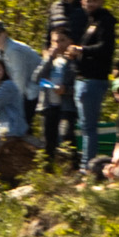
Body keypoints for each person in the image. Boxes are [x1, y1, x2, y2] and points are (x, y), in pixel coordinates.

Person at [74, 0, 118, 171]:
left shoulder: (105, 21)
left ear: (100, 1)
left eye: (94, 0)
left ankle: (87, 168)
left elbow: (106, 48)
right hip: (82, 78)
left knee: (89, 127)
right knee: (85, 126)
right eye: (87, 0)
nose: (90, 4)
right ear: (82, 2)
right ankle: (86, 165)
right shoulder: (89, 21)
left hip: (93, 79)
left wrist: (81, 50)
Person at [34, 33, 79, 170]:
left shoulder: (73, 62)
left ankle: (72, 168)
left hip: (66, 106)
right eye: (55, 41)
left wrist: (66, 90)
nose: (58, 44)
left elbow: (79, 85)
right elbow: (37, 78)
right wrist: (49, 59)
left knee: (66, 136)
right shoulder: (49, 60)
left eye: (62, 40)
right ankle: (48, 172)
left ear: (69, 41)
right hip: (49, 106)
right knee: (48, 141)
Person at [0, 19, 38, 99]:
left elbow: (19, 77)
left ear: (5, 33)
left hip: (33, 92)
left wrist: (15, 100)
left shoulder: (14, 50)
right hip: (21, 91)